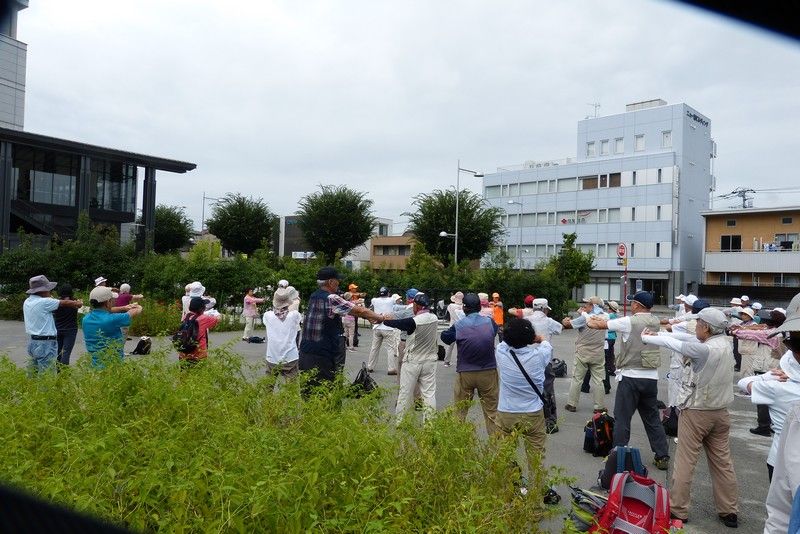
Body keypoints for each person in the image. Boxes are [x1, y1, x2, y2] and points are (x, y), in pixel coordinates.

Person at [641, 307, 739, 528]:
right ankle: (729, 511)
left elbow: (677, 344)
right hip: (721, 412)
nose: (695, 327)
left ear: (706, 327)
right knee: (723, 463)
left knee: (685, 461)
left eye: (698, 324)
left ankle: (678, 510)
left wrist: (647, 337)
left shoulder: (703, 350)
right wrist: (661, 334)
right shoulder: (725, 343)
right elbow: (682, 337)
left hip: (697, 412)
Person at [586, 291, 670, 471]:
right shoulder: (654, 321)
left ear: (637, 305)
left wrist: (586, 317)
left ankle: (618, 455)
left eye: (632, 303)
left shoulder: (628, 321)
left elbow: (599, 325)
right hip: (651, 377)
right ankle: (662, 455)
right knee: (652, 418)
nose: (630, 305)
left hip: (630, 377)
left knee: (623, 417)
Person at [298, 267, 384, 390]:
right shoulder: (331, 298)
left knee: (308, 392)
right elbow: (359, 310)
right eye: (337, 280)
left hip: (305, 352)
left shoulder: (314, 296)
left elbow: (346, 309)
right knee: (326, 393)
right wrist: (381, 317)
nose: (339, 283)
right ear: (331, 282)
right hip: (322, 354)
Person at [495, 318, 552, 489]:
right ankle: (535, 507)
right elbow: (546, 343)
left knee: (504, 456)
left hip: (506, 412)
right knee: (535, 460)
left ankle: (508, 495)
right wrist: (538, 338)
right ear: (530, 337)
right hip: (533, 413)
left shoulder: (501, 352)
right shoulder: (540, 355)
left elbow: (503, 342)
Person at [738, 342, 800, 482]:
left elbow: (744, 383)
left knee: (780, 503)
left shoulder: (777, 388)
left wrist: (771, 376)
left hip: (781, 458)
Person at [441, 292, 500, 435]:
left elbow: (446, 338)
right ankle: (498, 450)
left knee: (460, 412)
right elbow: (494, 332)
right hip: (488, 371)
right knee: (492, 413)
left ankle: (459, 446)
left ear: (465, 309)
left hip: (465, 372)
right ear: (480, 307)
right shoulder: (490, 322)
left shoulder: (459, 325)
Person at [382, 293, 439, 422]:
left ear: (417, 306)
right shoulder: (434, 318)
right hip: (430, 360)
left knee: (405, 392)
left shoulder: (414, 321)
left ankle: (400, 421)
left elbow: (398, 323)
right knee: (429, 394)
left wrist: (382, 319)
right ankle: (430, 424)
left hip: (413, 360)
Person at [23, 275, 83, 373]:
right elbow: (66, 303)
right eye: (48, 289)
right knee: (47, 377)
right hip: (46, 342)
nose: (50, 292)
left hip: (33, 341)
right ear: (42, 291)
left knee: (33, 374)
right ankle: (62, 376)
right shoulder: (46, 302)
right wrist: (77, 304)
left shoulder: (27, 301)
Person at [562, 296, 608, 413]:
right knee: (598, 380)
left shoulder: (584, 319)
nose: (584, 306)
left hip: (582, 352)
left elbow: (568, 325)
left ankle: (572, 404)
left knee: (577, 378)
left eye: (587, 304)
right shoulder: (605, 317)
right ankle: (599, 407)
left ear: (593, 306)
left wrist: (565, 320)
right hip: (598, 352)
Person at [82, 286, 142, 368]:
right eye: (112, 300)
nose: (114, 301)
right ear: (107, 302)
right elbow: (134, 312)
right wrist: (136, 306)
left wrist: (124, 307)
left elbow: (105, 310)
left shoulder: (86, 319)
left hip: (94, 364)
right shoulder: (112, 319)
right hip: (112, 365)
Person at [527, 298, 562, 433]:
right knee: (547, 390)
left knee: (529, 389)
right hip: (545, 360)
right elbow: (560, 329)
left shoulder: (527, 320)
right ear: (544, 309)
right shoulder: (549, 321)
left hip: (528, 360)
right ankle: (550, 421)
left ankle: (529, 420)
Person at [263, 286, 303, 381]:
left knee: (268, 387)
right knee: (290, 388)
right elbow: (298, 322)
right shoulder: (294, 315)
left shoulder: (267, 315)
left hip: (272, 357)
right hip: (290, 357)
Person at [581, 300, 620, 395]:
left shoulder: (607, 316)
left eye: (609, 307)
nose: (607, 308)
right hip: (609, 340)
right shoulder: (611, 315)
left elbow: (592, 322)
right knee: (606, 362)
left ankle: (586, 386)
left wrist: (583, 313)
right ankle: (605, 386)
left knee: (593, 364)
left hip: (602, 341)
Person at [178, 296, 221, 366]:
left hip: (183, 353)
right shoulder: (204, 318)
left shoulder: (186, 316)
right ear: (202, 308)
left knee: (184, 375)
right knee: (198, 375)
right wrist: (217, 314)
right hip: (198, 355)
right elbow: (218, 319)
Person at [367, 286, 401, 374]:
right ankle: (391, 369)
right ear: (388, 293)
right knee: (390, 348)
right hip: (388, 327)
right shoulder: (391, 300)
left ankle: (370, 366)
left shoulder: (374, 300)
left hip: (377, 327)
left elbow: (371, 306)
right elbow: (397, 302)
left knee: (374, 348)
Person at [53, 285, 80, 367]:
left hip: (58, 328)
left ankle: (58, 372)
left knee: (58, 352)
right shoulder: (75, 302)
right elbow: (83, 309)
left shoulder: (56, 303)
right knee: (66, 352)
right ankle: (64, 375)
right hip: (71, 329)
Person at [443, 291, 465, 367]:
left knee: (450, 345)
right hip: (461, 327)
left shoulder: (451, 306)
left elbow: (449, 313)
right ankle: (460, 361)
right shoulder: (464, 306)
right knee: (461, 346)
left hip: (452, 326)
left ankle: (446, 361)